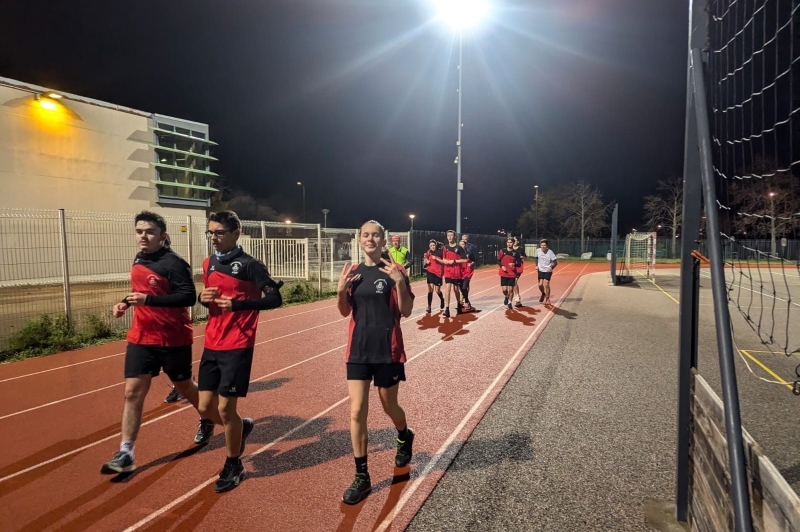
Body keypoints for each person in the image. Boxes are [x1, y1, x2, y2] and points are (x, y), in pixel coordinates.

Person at [101, 210, 217, 475]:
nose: (144, 236)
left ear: (163, 236)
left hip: (172, 338)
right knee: (132, 392)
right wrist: (124, 302)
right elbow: (140, 292)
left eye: (150, 231)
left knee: (185, 386)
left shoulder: (174, 263)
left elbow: (187, 297)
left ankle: (214, 419)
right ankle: (126, 451)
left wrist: (147, 301)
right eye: (139, 231)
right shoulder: (139, 258)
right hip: (141, 336)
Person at [198, 210, 285, 493]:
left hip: (238, 344)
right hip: (211, 342)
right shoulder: (208, 263)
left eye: (219, 232)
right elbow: (210, 300)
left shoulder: (250, 265)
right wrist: (203, 298)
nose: (214, 237)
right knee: (204, 407)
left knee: (225, 408)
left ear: (236, 233)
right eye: (210, 232)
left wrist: (239, 306)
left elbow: (275, 298)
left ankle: (233, 463)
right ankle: (241, 427)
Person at [337, 220, 415, 505]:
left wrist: (399, 282)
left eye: (375, 235)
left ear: (383, 241)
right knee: (356, 411)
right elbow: (345, 311)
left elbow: (406, 311)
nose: (370, 239)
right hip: (357, 351)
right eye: (365, 235)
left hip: (387, 350)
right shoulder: (354, 273)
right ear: (359, 240)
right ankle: (362, 476)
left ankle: (404, 435)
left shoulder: (395, 270)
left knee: (388, 405)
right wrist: (340, 290)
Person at [441, 230, 469, 317]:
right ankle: (447, 308)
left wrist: (454, 261)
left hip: (456, 271)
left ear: (454, 237)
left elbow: (465, 260)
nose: (450, 237)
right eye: (448, 235)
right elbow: (443, 258)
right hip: (448, 271)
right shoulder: (445, 248)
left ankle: (458, 304)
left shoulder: (459, 248)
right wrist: (446, 261)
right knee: (447, 289)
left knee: (456, 289)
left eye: (451, 235)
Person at [498, 236, 522, 310]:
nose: (509, 244)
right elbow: (498, 260)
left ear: (513, 243)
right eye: (508, 242)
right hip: (503, 273)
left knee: (511, 290)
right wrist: (502, 266)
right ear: (506, 243)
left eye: (510, 242)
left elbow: (519, 263)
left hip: (512, 273)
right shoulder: (502, 251)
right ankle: (506, 296)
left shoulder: (516, 253)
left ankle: (509, 302)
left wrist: (514, 264)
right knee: (504, 290)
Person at [423, 239, 445, 313]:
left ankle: (442, 299)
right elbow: (425, 258)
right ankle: (429, 306)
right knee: (430, 290)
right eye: (431, 246)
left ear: (436, 245)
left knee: (437, 290)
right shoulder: (429, 252)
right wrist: (426, 261)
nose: (432, 247)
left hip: (438, 273)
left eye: (434, 245)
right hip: (430, 272)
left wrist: (437, 259)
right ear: (429, 246)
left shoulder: (440, 252)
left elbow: (444, 261)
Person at [534, 238, 558, 306]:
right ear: (540, 245)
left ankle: (547, 298)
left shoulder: (550, 252)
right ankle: (543, 293)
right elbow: (536, 258)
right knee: (540, 285)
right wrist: (536, 265)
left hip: (547, 270)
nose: (543, 247)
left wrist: (551, 267)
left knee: (546, 284)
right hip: (540, 270)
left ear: (546, 246)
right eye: (542, 245)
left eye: (544, 245)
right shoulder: (538, 251)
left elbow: (555, 262)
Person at [459, 239, 476, 312]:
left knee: (464, 287)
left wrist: (471, 263)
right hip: (459, 272)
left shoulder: (469, 253)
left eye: (463, 244)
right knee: (461, 288)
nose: (461, 246)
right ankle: (467, 301)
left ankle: (466, 301)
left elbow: (474, 260)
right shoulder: (457, 253)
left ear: (465, 245)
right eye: (460, 244)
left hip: (467, 272)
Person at [511, 237, 527, 307]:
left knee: (514, 282)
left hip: (518, 267)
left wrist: (522, 257)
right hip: (511, 267)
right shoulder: (509, 249)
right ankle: (516, 298)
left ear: (518, 241)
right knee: (512, 283)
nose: (514, 242)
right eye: (513, 240)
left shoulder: (521, 249)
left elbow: (525, 258)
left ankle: (517, 297)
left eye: (516, 240)